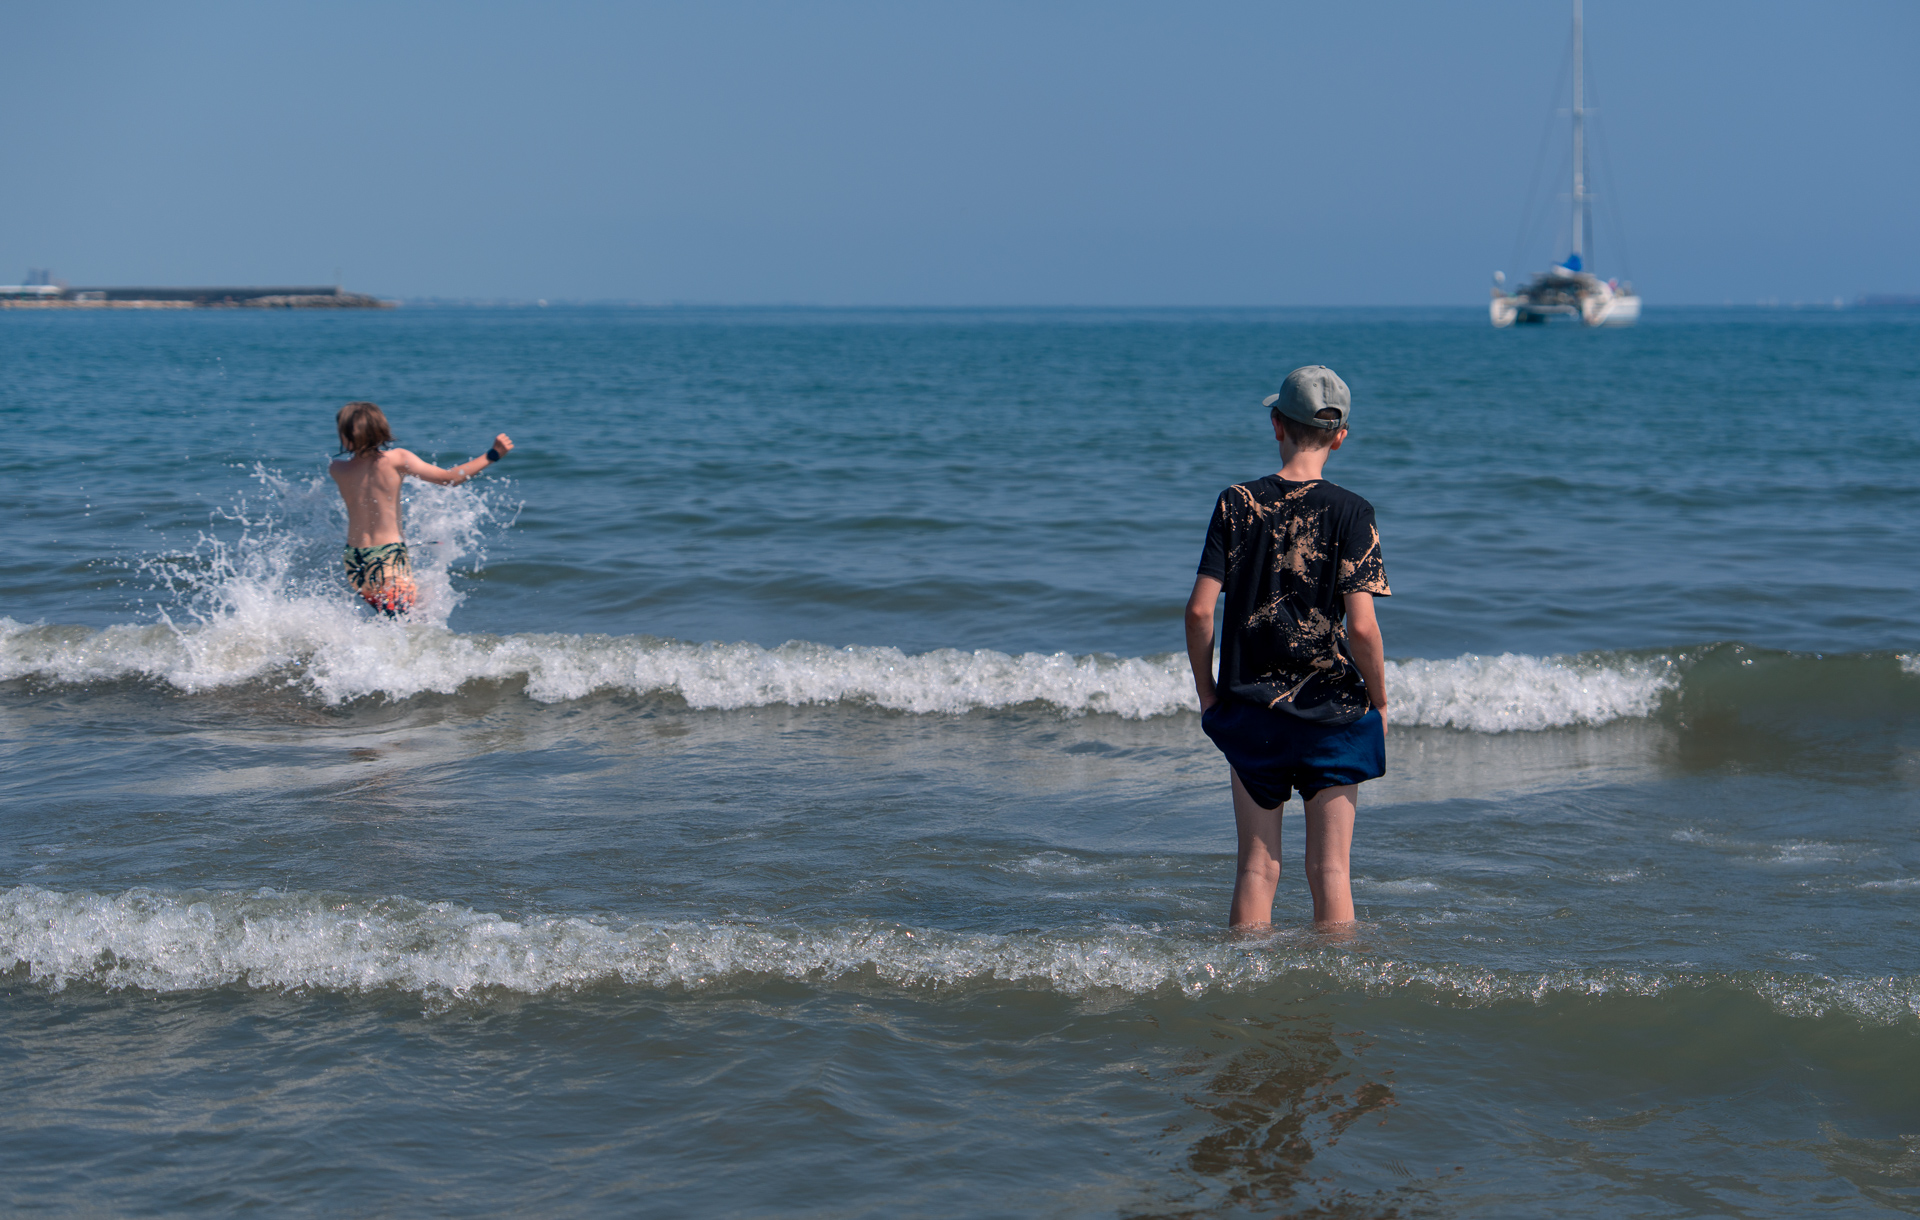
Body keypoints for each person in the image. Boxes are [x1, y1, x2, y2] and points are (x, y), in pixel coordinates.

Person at [1183, 366, 1390, 929]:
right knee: (1331, 872)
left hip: (1252, 712)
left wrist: (1209, 695)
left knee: (1256, 867)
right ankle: (1330, 1001)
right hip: (1334, 714)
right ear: (1340, 436)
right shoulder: (1353, 512)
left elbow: (1201, 611)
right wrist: (1382, 701)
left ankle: (1244, 994)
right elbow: (1364, 629)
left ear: (1277, 424)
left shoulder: (1235, 503)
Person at [328, 400, 514, 615]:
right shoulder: (397, 458)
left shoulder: (338, 468)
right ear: (380, 429)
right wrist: (493, 455)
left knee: (392, 617)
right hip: (389, 556)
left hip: (354, 560)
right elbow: (449, 478)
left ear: (346, 434)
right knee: (406, 621)